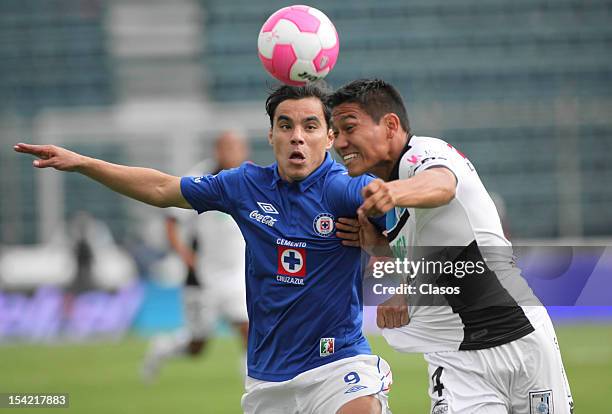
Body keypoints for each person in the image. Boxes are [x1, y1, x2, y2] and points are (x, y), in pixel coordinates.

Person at [14, 82, 392, 414]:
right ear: (271, 136)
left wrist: (388, 263)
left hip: (338, 364)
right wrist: (83, 163)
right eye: (285, 125)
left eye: (310, 126)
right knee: (200, 342)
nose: (297, 136)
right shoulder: (245, 185)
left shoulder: (345, 189)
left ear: (329, 138)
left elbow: (404, 222)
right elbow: (162, 189)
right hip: (269, 379)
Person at [328, 79, 574, 414]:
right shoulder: (389, 191)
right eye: (335, 132)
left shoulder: (424, 154)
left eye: (348, 128)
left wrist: (394, 194)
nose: (339, 142)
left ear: (390, 125)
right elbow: (436, 253)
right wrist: (383, 254)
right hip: (456, 357)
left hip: (520, 338)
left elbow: (443, 185)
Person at [141, 131, 250, 381]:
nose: (234, 153)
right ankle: (162, 347)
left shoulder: (249, 177)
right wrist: (184, 255)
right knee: (197, 345)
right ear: (217, 151)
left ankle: (252, 385)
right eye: (228, 147)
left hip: (236, 273)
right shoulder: (199, 178)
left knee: (248, 329)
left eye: (238, 147)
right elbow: (171, 221)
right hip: (204, 276)